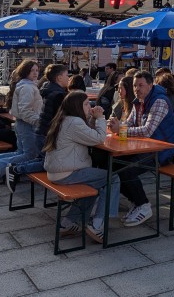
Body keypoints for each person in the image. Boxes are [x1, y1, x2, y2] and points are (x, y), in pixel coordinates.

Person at [43, 91, 119, 243]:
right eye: (85, 104)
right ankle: (98, 224)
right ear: (77, 106)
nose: (89, 106)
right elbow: (98, 138)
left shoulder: (64, 119)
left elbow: (87, 133)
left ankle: (67, 224)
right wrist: (100, 118)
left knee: (93, 186)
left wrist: (92, 118)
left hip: (58, 171)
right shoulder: (74, 123)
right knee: (113, 178)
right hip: (67, 173)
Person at [106, 71, 174, 227]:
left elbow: (147, 130)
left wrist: (120, 130)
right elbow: (130, 123)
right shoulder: (139, 101)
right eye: (134, 85)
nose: (137, 89)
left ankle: (143, 205)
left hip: (162, 150)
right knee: (114, 165)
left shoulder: (159, 101)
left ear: (150, 85)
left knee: (126, 169)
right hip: (146, 148)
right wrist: (115, 125)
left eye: (141, 85)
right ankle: (136, 201)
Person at [6, 64, 69, 193]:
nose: (69, 78)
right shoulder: (57, 93)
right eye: (67, 75)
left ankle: (13, 168)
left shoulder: (45, 88)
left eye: (37, 70)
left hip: (40, 130)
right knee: (46, 162)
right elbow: (59, 118)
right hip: (45, 131)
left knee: (39, 158)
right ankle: (16, 169)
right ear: (59, 78)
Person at [0, 60, 42, 187]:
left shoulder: (24, 85)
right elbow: (25, 110)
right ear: (26, 72)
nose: (35, 73)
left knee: (21, 152)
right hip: (27, 124)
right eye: (32, 70)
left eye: (37, 70)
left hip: (21, 123)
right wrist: (38, 121)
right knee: (30, 154)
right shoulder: (28, 87)